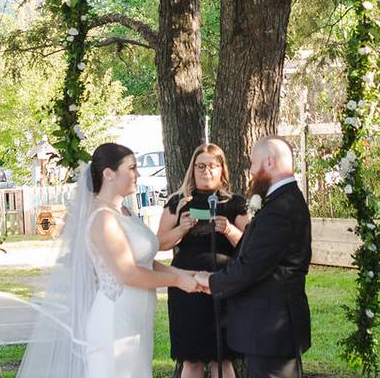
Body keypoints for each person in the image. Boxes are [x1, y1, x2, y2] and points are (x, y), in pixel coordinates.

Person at [17, 142, 202, 378]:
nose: (138, 174)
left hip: (136, 319)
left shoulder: (125, 212)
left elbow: (143, 262)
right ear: (109, 174)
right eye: (132, 168)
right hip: (115, 320)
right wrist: (177, 281)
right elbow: (128, 273)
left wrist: (186, 274)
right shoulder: (103, 219)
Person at [195, 136, 312, 378]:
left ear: (269, 162)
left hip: (271, 330)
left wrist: (211, 281)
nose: (250, 171)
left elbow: (252, 266)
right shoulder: (281, 201)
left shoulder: (281, 208)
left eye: (252, 163)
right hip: (268, 330)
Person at [157, 143, 250, 378]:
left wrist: (229, 230)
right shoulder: (179, 202)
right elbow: (159, 243)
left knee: (224, 360)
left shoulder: (235, 203)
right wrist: (181, 229)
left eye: (212, 166)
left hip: (223, 286)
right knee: (191, 359)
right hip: (185, 287)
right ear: (192, 169)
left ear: (222, 170)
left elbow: (251, 247)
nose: (206, 171)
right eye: (200, 166)